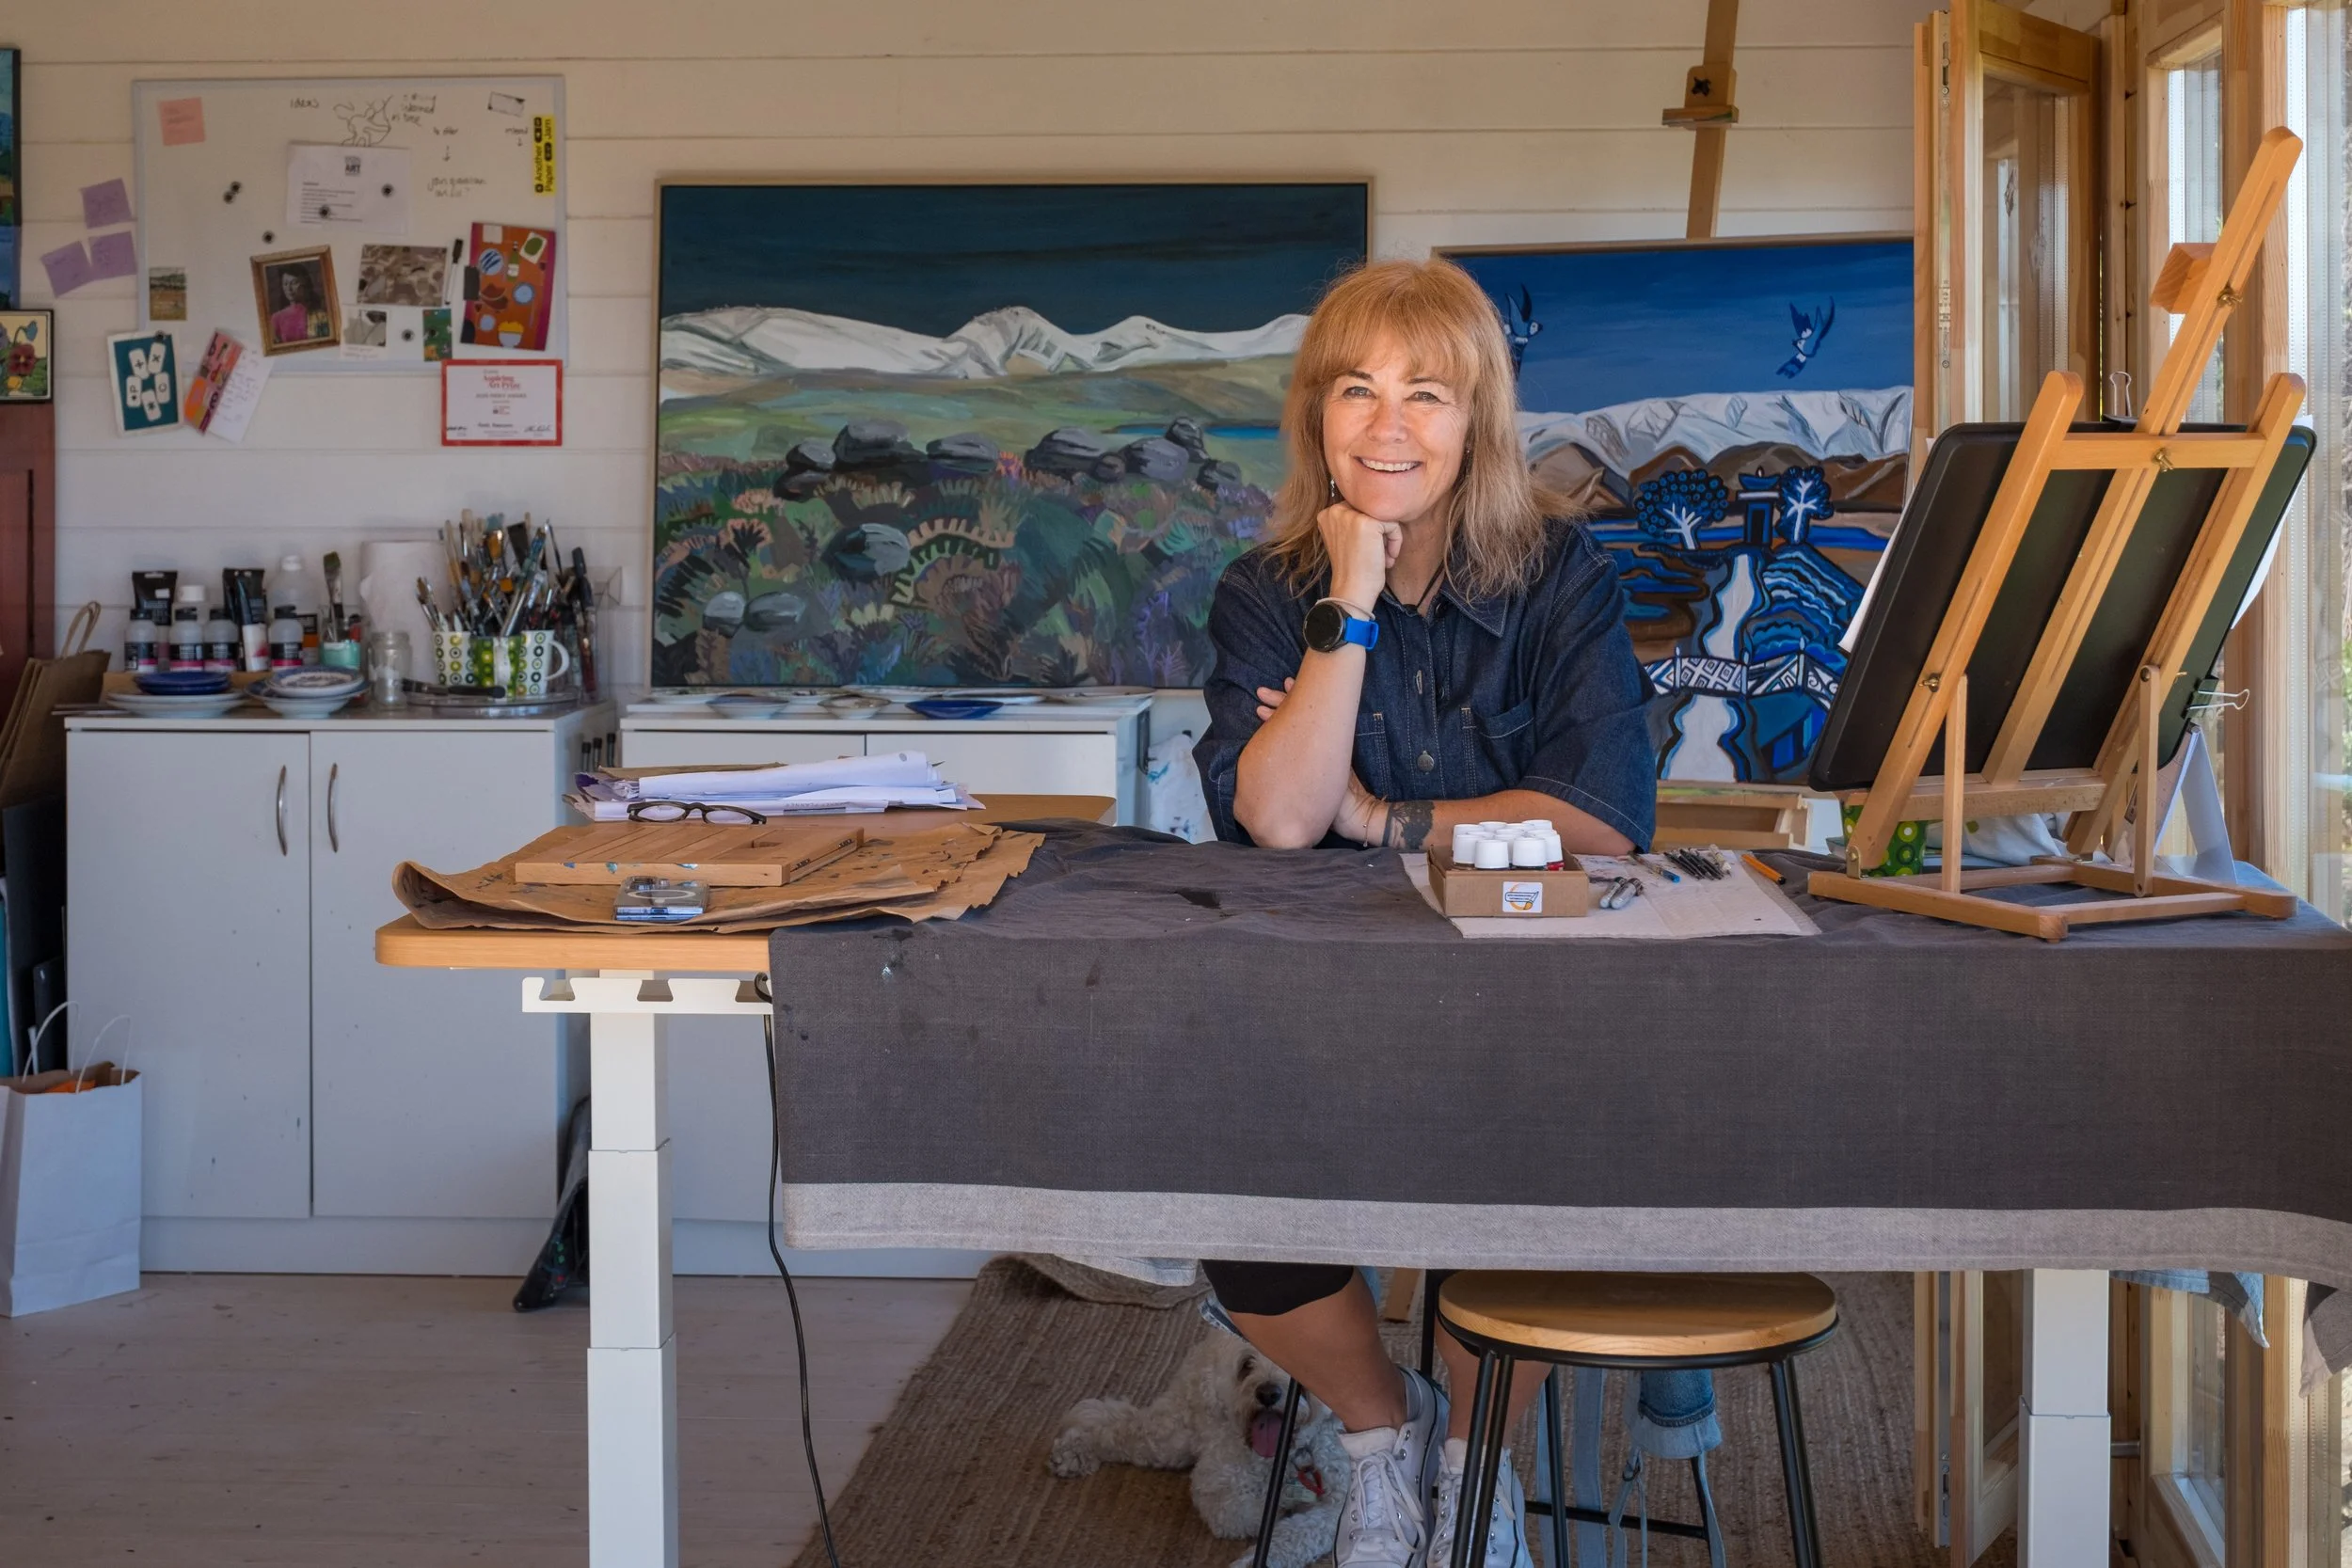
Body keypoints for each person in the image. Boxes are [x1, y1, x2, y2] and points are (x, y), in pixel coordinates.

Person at [1191, 258, 1708, 1568]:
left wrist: (1388, 820)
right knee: (1229, 1195)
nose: (1386, 424)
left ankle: (1479, 1475)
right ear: (1316, 414)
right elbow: (1281, 815)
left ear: (1476, 419)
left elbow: (1601, 817)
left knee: (1543, 1175)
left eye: (1426, 393)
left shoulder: (1559, 578)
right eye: (1355, 389)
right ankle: (1381, 1442)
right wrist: (1346, 607)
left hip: (1524, 991)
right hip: (1322, 996)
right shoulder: (1266, 592)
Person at [270, 268, 321, 347]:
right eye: (285, 284)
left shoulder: (319, 314)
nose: (289, 289)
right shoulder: (277, 318)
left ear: (305, 284)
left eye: (294, 283)